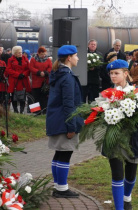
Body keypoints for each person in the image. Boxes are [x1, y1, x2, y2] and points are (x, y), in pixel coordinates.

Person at [106, 59, 138, 210]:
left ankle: (127, 198)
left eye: (116, 73)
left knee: (130, 174)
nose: (113, 76)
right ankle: (119, 208)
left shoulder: (137, 92)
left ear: (125, 74)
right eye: (111, 73)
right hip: (114, 139)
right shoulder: (106, 94)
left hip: (133, 139)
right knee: (117, 174)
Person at [46, 45, 83, 198]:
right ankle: (62, 189)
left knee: (59, 154)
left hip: (57, 119)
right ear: (69, 58)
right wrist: (71, 126)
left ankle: (58, 186)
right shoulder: (67, 76)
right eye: (76, 55)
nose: (78, 58)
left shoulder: (59, 73)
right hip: (64, 121)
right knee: (65, 154)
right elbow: (69, 103)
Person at [6, 46, 31, 114]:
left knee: (23, 96)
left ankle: (22, 111)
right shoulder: (10, 60)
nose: (21, 54)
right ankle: (15, 110)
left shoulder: (25, 59)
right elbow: (8, 70)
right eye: (19, 52)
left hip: (23, 80)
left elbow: (29, 69)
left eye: (21, 52)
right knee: (14, 96)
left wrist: (23, 74)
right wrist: (17, 74)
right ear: (15, 53)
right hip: (15, 81)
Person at [29, 46, 52, 114]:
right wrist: (38, 72)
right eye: (42, 54)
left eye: (44, 54)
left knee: (44, 97)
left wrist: (45, 72)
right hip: (36, 81)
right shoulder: (33, 59)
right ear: (38, 53)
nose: (43, 56)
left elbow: (50, 67)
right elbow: (31, 68)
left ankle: (44, 111)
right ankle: (35, 112)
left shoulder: (48, 60)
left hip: (44, 81)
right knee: (35, 97)